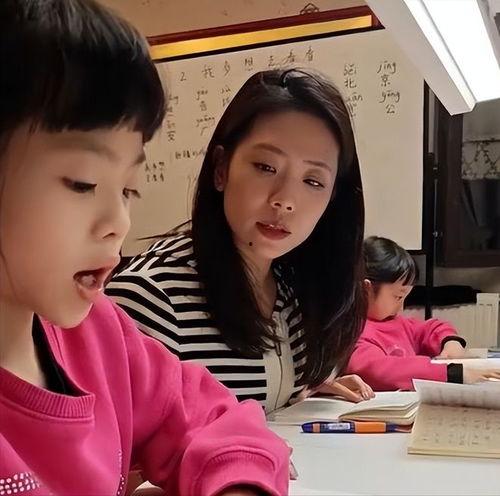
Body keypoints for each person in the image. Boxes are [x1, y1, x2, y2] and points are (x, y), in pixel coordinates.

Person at [0, 2, 289, 495]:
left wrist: (236, 483)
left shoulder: (100, 333)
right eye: (83, 183)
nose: (119, 223)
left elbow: (216, 419)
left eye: (129, 189)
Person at [107, 67, 374, 413]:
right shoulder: (151, 298)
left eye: (313, 181)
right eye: (265, 167)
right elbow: (123, 443)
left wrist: (304, 387)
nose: (285, 200)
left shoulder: (291, 288)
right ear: (221, 168)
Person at [346, 236, 500, 390]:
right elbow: (376, 371)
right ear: (366, 289)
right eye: (398, 297)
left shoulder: (396, 322)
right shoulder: (351, 332)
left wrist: (450, 342)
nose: (401, 307)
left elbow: (431, 328)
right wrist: (450, 373)